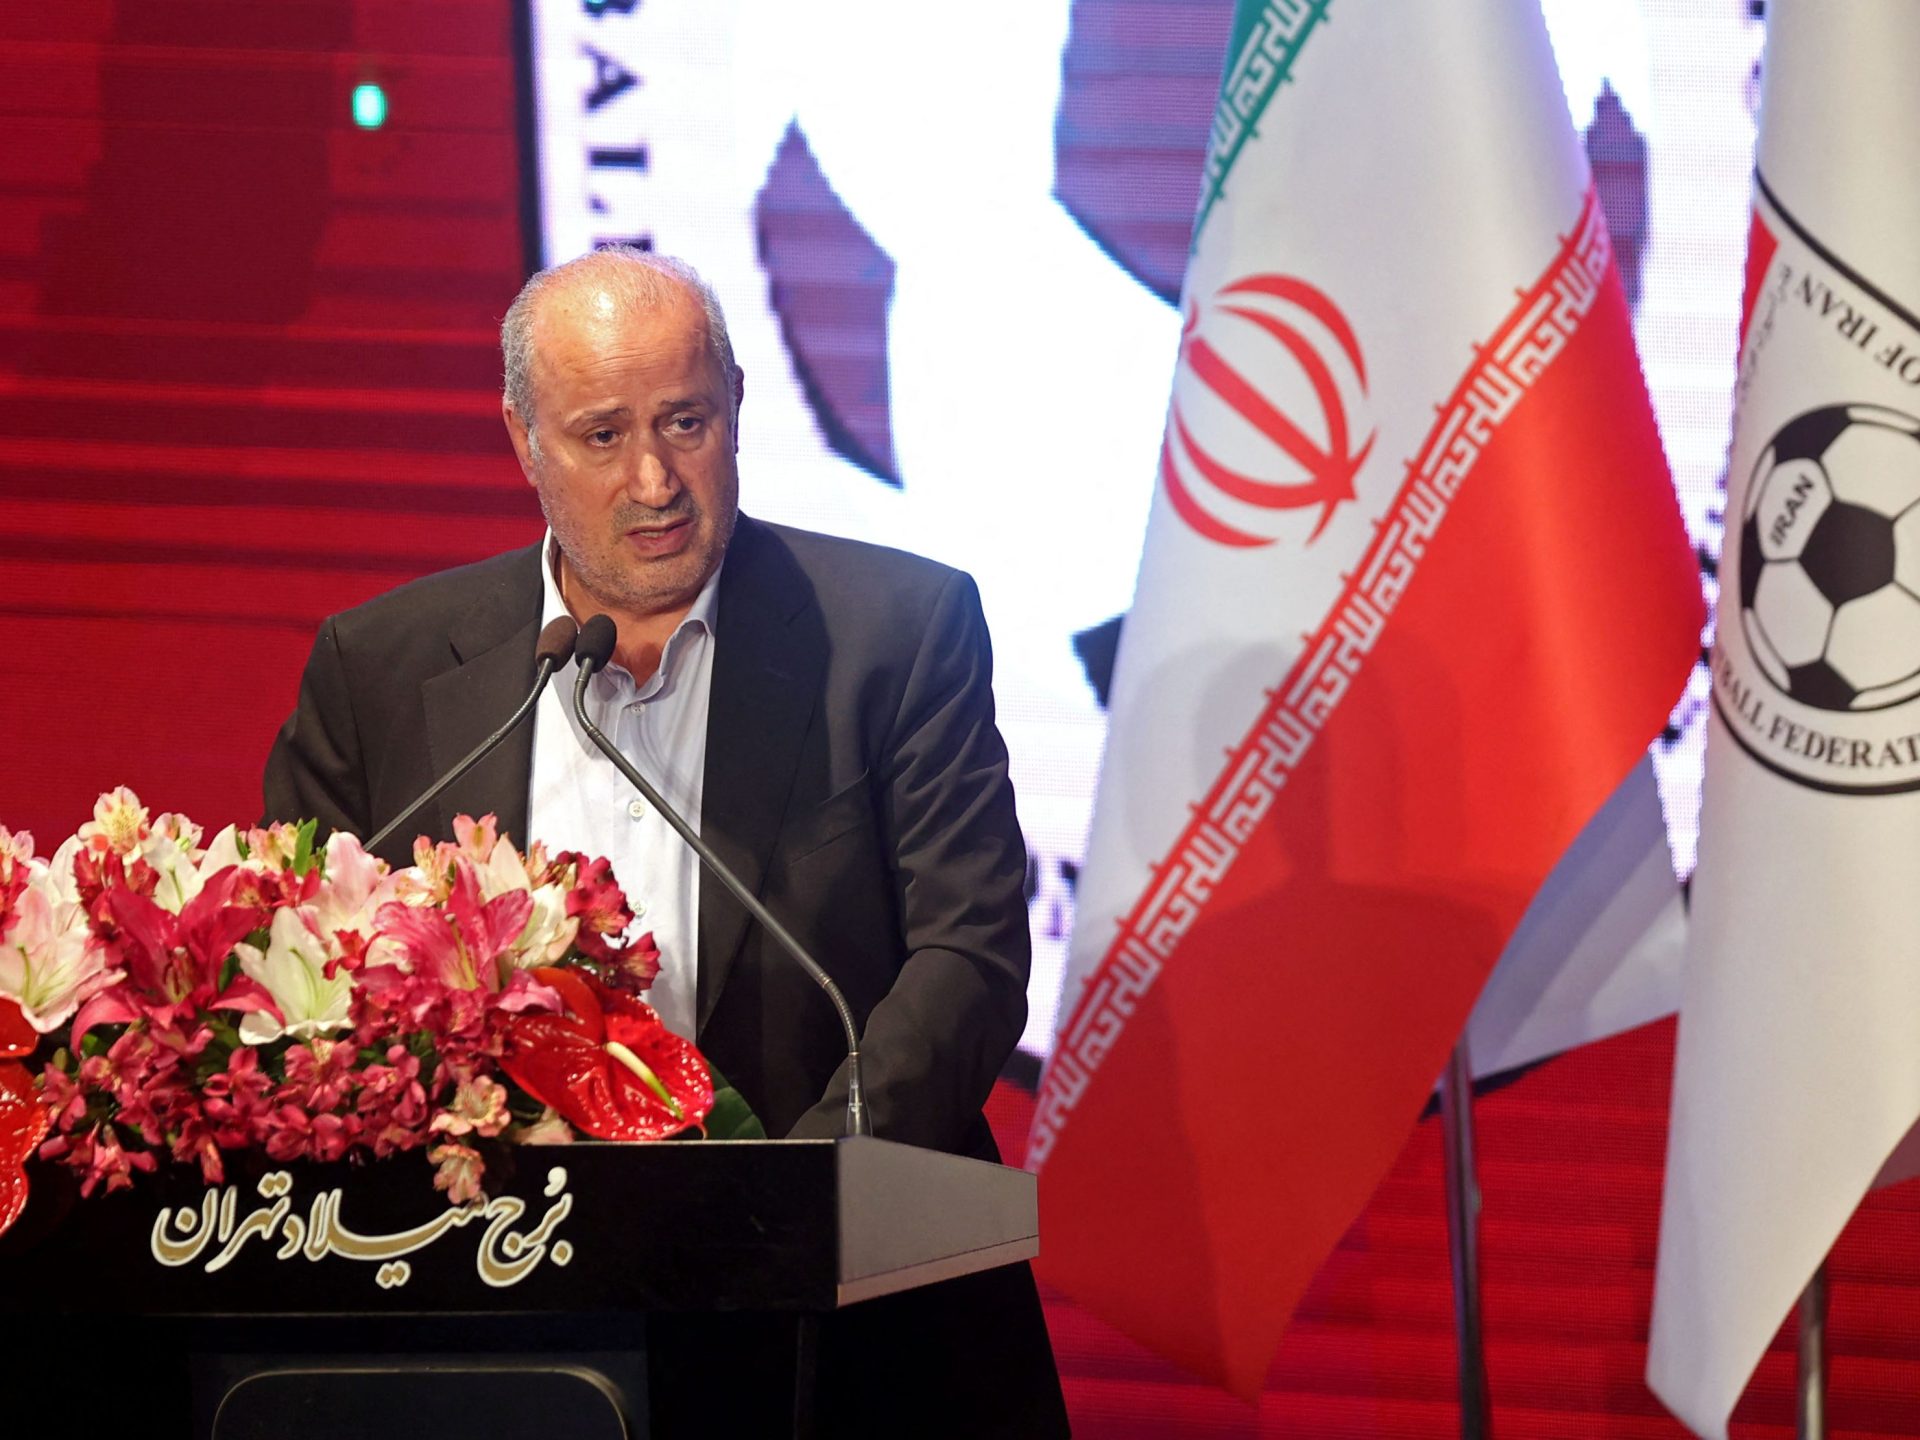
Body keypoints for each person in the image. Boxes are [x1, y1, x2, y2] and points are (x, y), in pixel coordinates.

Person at [263, 248, 1070, 1436]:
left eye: (685, 422)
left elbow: (969, 954)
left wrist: (792, 1202)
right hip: (496, 1334)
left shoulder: (897, 632)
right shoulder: (378, 671)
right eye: (602, 436)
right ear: (523, 438)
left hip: (849, 1328)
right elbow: (301, 989)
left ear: (737, 404)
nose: (655, 481)